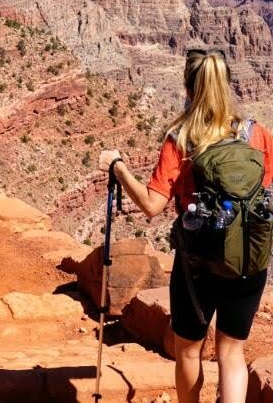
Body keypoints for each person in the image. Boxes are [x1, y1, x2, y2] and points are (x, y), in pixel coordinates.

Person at [99, 49, 273, 403]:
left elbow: (151, 205)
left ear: (189, 88)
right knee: (232, 353)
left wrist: (118, 168)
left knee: (190, 352)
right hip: (249, 262)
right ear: (226, 84)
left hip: (199, 266)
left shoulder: (181, 138)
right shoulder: (257, 134)